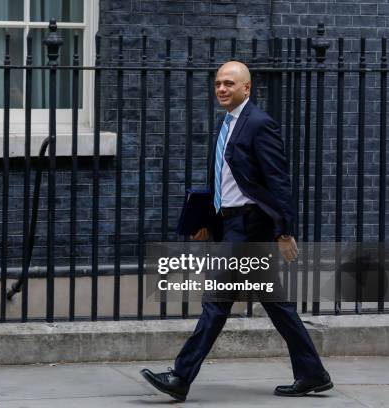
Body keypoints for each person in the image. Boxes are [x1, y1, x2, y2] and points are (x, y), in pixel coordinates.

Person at [140, 61, 332, 401]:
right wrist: (209, 223)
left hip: (249, 227)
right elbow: (227, 183)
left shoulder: (259, 124)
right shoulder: (227, 123)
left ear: (247, 88)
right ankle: (312, 373)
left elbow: (278, 181)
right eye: (217, 83)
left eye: (229, 83)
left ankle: (181, 377)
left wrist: (285, 231)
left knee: (216, 302)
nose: (222, 89)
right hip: (232, 224)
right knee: (278, 304)